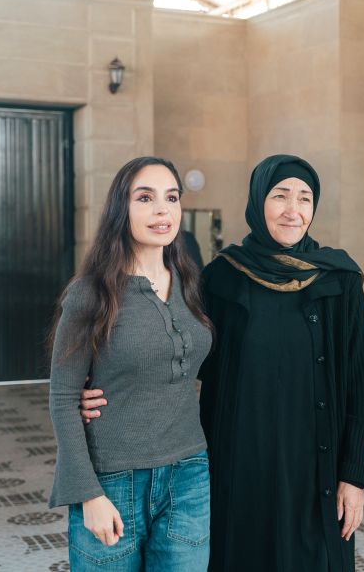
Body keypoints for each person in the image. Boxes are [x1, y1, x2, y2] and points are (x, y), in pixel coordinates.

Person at [81, 154, 364, 572]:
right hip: (239, 464)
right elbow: (181, 354)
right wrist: (101, 389)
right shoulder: (224, 277)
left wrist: (354, 475)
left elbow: (361, 386)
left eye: (304, 198)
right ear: (258, 201)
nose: (293, 210)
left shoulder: (339, 279)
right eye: (280, 196)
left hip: (316, 470)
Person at [48, 157, 214, 570]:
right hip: (112, 479)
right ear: (120, 209)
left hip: (189, 474)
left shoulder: (190, 284)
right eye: (145, 198)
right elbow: (63, 396)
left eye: (171, 198)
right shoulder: (91, 293)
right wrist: (88, 494)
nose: (162, 210)